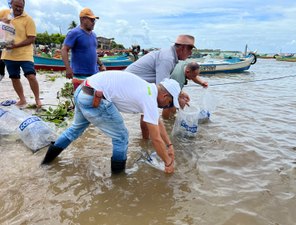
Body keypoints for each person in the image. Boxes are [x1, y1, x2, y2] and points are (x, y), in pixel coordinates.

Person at [41, 70, 182, 174]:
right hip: (95, 98)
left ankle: (46, 163)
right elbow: (156, 139)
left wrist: (169, 145)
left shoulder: (148, 89)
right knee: (121, 137)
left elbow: (157, 122)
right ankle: (118, 180)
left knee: (75, 129)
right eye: (169, 102)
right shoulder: (149, 98)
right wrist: (168, 163)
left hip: (82, 91)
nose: (166, 106)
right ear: (165, 95)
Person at [125, 34, 194, 138]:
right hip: (130, 85)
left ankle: (145, 141)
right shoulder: (167, 58)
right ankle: (147, 141)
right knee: (149, 110)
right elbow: (162, 88)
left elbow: (165, 83)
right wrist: (177, 98)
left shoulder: (169, 54)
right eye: (190, 49)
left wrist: (180, 93)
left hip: (136, 84)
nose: (191, 53)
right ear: (183, 48)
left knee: (147, 111)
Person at [0, 0, 41, 107]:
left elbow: (31, 38)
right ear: (11, 4)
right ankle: (22, 99)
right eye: (16, 6)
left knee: (31, 76)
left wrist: (15, 45)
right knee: (14, 77)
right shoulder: (4, 13)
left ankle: (37, 99)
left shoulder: (28, 19)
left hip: (25, 54)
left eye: (21, 7)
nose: (19, 8)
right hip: (8, 54)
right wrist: (3, 21)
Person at [61, 7, 106, 91]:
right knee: (81, 100)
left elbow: (93, 52)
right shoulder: (74, 33)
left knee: (94, 100)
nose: (94, 23)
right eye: (91, 20)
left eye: (94, 20)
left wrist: (101, 64)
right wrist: (68, 68)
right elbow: (64, 49)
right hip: (79, 73)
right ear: (83, 19)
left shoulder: (94, 35)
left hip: (94, 73)